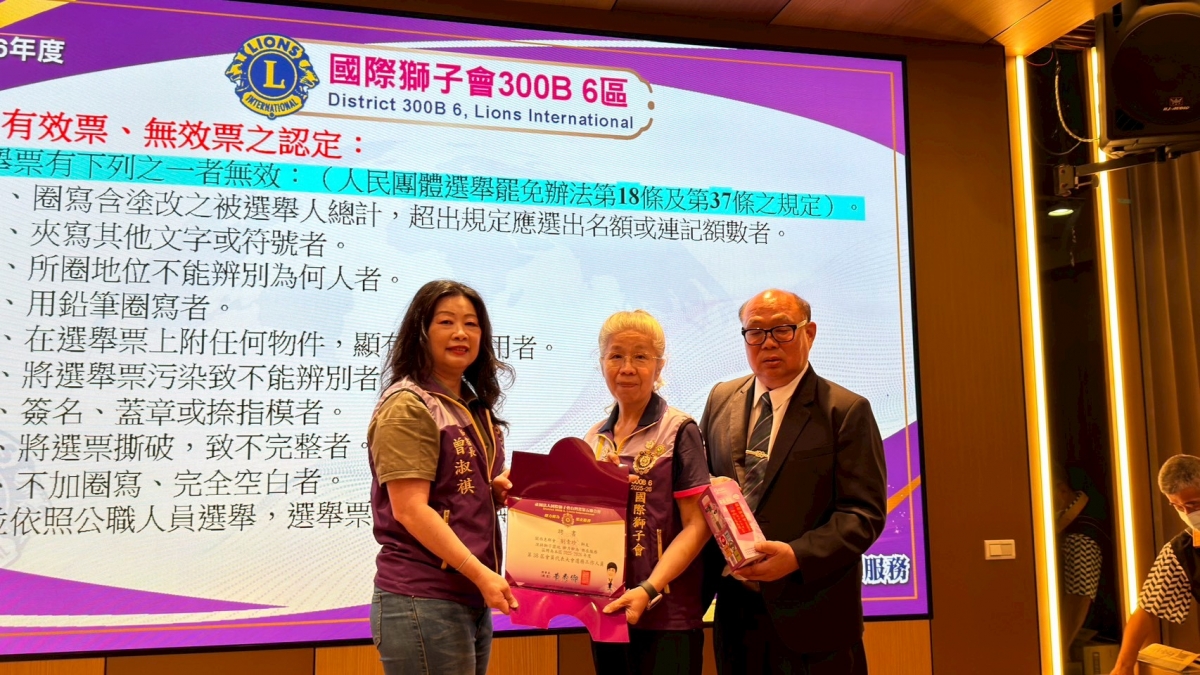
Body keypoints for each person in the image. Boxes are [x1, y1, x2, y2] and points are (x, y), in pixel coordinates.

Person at [700, 289, 887, 675]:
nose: (768, 342)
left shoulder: (845, 410)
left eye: (782, 330)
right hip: (736, 615)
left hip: (814, 617)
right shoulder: (721, 398)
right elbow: (702, 488)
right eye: (755, 331)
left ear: (809, 333)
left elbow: (863, 515)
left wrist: (797, 556)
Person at [366, 280, 517, 675]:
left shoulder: (473, 404)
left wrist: (493, 490)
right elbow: (410, 510)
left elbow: (455, 490)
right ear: (421, 331)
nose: (461, 333)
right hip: (422, 597)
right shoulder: (408, 405)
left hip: (467, 593)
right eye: (446, 322)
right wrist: (482, 574)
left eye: (472, 324)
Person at [584, 310, 713, 675]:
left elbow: (697, 526)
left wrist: (649, 588)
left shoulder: (679, 430)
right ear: (602, 363)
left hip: (667, 613)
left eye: (640, 357)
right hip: (608, 611)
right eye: (616, 356)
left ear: (659, 366)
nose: (627, 368)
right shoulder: (594, 437)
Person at [1112, 454, 1200, 675]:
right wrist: (1123, 666)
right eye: (1178, 507)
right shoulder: (1181, 550)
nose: (1188, 514)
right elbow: (1149, 606)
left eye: (1193, 504)